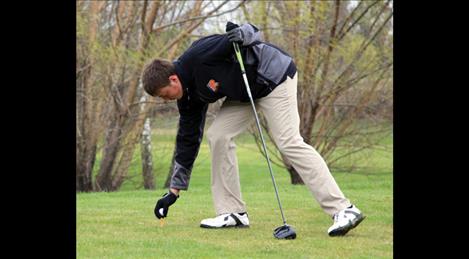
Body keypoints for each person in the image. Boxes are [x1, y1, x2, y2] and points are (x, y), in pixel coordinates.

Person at [141, 22, 365, 236]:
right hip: (245, 93)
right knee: (218, 135)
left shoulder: (198, 55)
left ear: (173, 79)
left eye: (164, 94)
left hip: (273, 77)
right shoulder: (187, 96)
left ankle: (343, 209)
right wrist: (174, 190)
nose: (165, 100)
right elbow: (187, 139)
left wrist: (241, 34)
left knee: (288, 141)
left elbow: (250, 32)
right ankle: (233, 212)